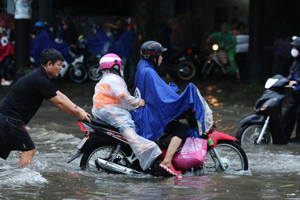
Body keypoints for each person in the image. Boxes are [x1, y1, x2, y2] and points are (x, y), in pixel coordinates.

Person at [131, 41, 213, 176]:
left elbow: (156, 91)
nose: (162, 58)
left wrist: (170, 90)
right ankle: (167, 161)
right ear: (153, 57)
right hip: (149, 117)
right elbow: (162, 98)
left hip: (142, 113)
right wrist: (183, 98)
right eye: (160, 55)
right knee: (180, 129)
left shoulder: (142, 68)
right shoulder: (149, 72)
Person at [0, 48, 91, 167]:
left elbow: (59, 95)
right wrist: (78, 114)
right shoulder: (39, 79)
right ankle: (25, 181)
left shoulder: (41, 77)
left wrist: (79, 109)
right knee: (29, 150)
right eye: (59, 65)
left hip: (6, 119)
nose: (61, 68)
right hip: (10, 120)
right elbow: (58, 103)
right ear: (49, 64)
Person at [92, 53, 161, 171]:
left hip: (104, 108)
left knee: (127, 121)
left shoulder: (107, 78)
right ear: (115, 66)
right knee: (124, 123)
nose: (122, 68)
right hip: (106, 108)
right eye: (120, 65)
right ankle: (139, 147)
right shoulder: (113, 79)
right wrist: (137, 102)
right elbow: (124, 96)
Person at [282, 37, 300, 143]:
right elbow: (291, 75)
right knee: (288, 114)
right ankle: (283, 138)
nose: (293, 49)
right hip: (296, 94)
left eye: (295, 47)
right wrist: (282, 81)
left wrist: (297, 81)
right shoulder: (296, 62)